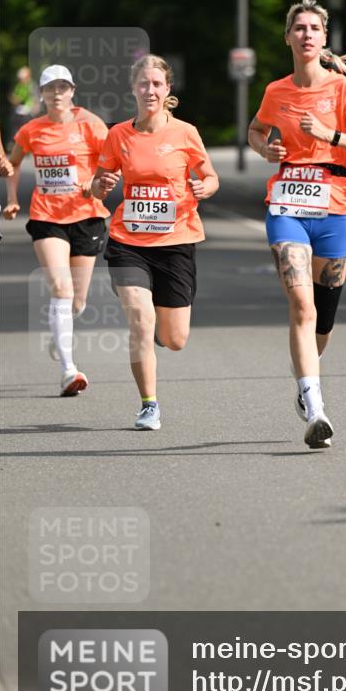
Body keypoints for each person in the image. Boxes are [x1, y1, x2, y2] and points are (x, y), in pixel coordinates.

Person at [247, 0, 346, 450]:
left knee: (322, 321)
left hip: (335, 209)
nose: (306, 35)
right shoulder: (276, 91)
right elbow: (256, 129)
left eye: (314, 29)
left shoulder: (345, 90)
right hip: (286, 205)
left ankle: (303, 380)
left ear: (324, 39)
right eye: (299, 28)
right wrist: (264, 149)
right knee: (301, 309)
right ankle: (316, 407)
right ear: (287, 37)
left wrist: (332, 136)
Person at [91, 54, 219, 431]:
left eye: (157, 84)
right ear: (133, 89)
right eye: (143, 84)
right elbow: (97, 183)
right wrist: (102, 185)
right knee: (141, 321)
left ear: (168, 89)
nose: (150, 90)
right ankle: (149, 404)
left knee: (174, 338)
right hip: (128, 240)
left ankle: (158, 337)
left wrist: (204, 187)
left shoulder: (185, 133)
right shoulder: (118, 135)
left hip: (176, 240)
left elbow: (210, 176)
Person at [3, 65, 110, 395]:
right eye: (51, 88)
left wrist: (94, 184)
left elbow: (110, 163)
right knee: (61, 289)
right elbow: (14, 161)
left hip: (86, 216)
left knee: (77, 302)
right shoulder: (32, 130)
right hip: (46, 216)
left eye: (63, 87)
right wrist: (10, 198)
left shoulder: (91, 124)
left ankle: (57, 336)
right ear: (42, 93)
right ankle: (69, 370)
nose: (57, 93)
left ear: (73, 90)